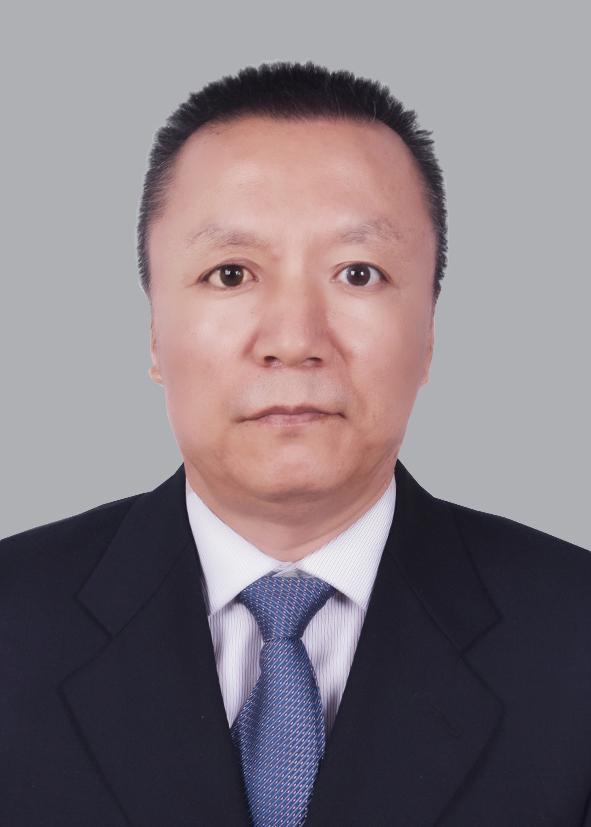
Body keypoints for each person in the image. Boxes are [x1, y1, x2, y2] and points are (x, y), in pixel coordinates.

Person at [1, 62, 590, 827]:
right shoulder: (13, 620)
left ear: (429, 333)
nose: (293, 339)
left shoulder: (574, 635)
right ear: (152, 331)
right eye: (230, 273)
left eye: (357, 272)